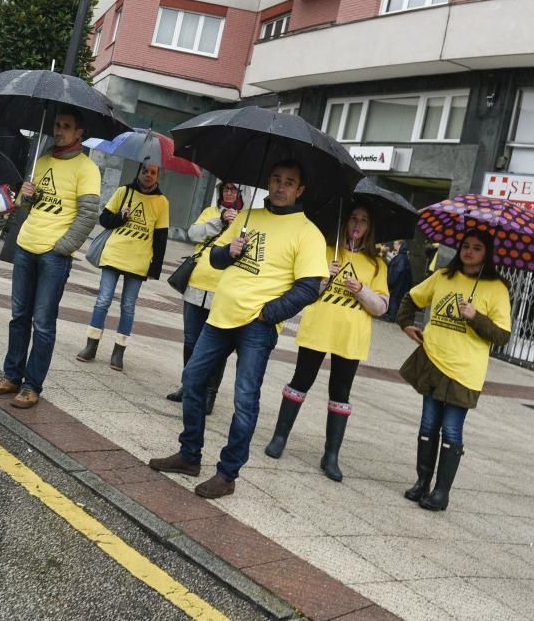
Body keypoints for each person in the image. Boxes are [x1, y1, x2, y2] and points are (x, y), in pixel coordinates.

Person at [148, 160, 328, 499]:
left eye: (289, 182)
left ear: (300, 189)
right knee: (192, 380)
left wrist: (269, 313)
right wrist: (227, 252)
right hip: (220, 317)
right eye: (275, 179)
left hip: (257, 327)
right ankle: (189, 455)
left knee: (245, 399)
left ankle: (227, 474)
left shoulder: (308, 233)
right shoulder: (247, 217)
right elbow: (214, 259)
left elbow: (308, 287)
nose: (280, 186)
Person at [263, 201, 389, 481]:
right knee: (300, 381)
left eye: (363, 221)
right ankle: (279, 438)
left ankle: (331, 455)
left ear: (370, 228)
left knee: (340, 392)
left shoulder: (377, 264)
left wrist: (362, 291)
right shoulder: (325, 251)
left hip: (350, 337)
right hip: (318, 330)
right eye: (353, 218)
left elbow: (381, 307)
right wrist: (323, 279)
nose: (357, 225)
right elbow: (306, 291)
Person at [0, 108, 101, 410]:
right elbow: (26, 205)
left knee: (44, 323)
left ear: (79, 134)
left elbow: (88, 215)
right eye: (57, 125)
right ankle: (12, 376)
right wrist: (26, 193)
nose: (59, 131)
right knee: (19, 316)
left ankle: (32, 385)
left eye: (66, 127)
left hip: (53, 255)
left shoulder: (87, 168)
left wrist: (63, 247)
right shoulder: (44, 159)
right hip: (26, 246)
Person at [396, 229, 512, 511]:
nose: (468, 252)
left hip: (464, 371)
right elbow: (411, 298)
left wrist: (475, 317)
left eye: (476, 248)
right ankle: (421, 483)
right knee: (427, 425)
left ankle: (440, 492)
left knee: (451, 430)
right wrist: (406, 323)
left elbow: (502, 336)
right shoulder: (443, 276)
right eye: (465, 246)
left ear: (487, 255)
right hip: (433, 361)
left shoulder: (497, 288)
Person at [76, 162, 169, 371]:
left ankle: (119, 351)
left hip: (138, 261)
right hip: (114, 255)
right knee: (103, 300)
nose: (148, 175)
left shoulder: (162, 202)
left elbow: (161, 238)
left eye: (153, 172)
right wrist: (120, 217)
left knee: (128, 306)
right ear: (139, 172)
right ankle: (91, 345)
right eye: (145, 171)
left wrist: (155, 269)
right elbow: (104, 219)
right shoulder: (123, 192)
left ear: (158, 176)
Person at [166, 181, 243, 414]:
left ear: (240, 194)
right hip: (197, 284)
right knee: (191, 340)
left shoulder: (246, 219)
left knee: (216, 346)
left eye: (234, 189)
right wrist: (220, 221)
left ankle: (209, 394)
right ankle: (188, 385)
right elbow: (193, 233)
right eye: (226, 189)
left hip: (222, 289)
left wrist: (235, 225)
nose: (229, 193)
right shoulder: (210, 212)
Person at [384, 240, 412, 321]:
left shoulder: (401, 258)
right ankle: (391, 315)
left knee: (394, 299)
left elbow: (397, 271)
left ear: (400, 245)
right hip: (400, 284)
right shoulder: (403, 257)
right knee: (395, 299)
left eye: (395, 244)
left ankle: (391, 316)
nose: (394, 245)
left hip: (397, 284)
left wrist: (390, 281)